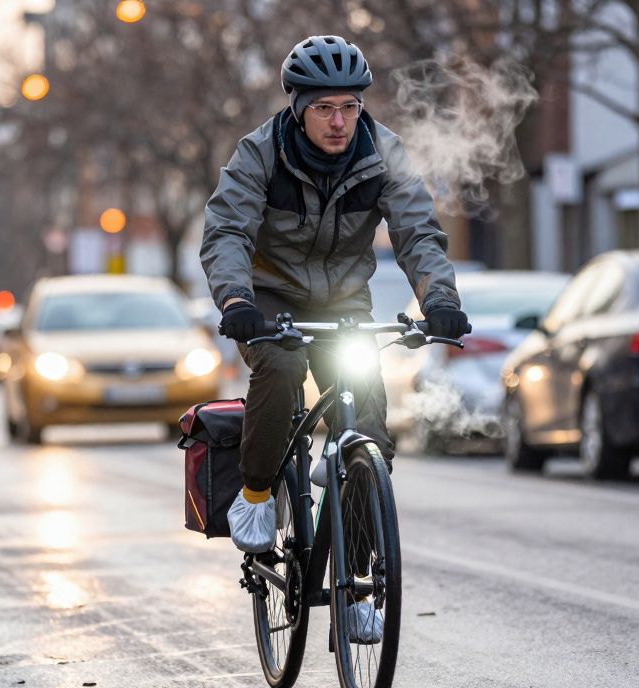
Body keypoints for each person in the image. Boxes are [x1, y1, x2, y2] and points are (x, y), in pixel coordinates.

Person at [201, 35, 469, 637]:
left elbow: (419, 234)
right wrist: (238, 300)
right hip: (268, 300)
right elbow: (227, 234)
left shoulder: (385, 156)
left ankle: (355, 586)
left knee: (368, 428)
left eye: (349, 106)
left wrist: (442, 300)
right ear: (298, 106)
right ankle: (256, 491)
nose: (339, 121)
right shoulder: (259, 155)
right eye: (324, 108)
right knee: (282, 370)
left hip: (344, 302)